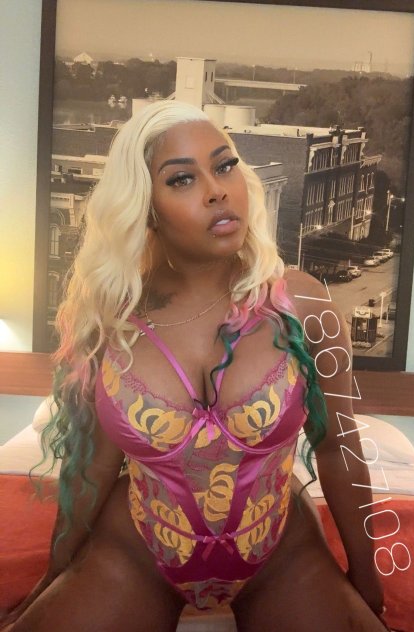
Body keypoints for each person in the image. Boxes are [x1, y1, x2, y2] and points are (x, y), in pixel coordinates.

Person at [2, 100, 390, 632]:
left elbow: (338, 447)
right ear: (145, 208)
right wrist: (55, 575)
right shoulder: (111, 321)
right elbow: (90, 467)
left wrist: (368, 581)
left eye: (225, 166)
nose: (217, 190)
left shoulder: (304, 306)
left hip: (281, 555)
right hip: (136, 553)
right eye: (182, 179)